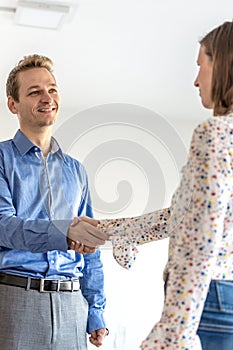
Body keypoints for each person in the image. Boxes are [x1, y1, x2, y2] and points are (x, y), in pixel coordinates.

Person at [83, 20, 233, 349]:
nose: (196, 80)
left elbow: (200, 243)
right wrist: (111, 230)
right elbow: (188, 217)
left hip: (213, 301)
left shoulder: (216, 136)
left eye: (201, 66)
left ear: (222, 65)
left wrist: (169, 336)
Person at [0, 54, 109, 350]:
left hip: (73, 305)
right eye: (34, 92)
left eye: (52, 89)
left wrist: (96, 309)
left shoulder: (76, 170)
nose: (47, 98)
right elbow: (4, 226)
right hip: (15, 299)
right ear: (13, 104)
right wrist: (65, 232)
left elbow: (91, 245)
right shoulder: (1, 159)